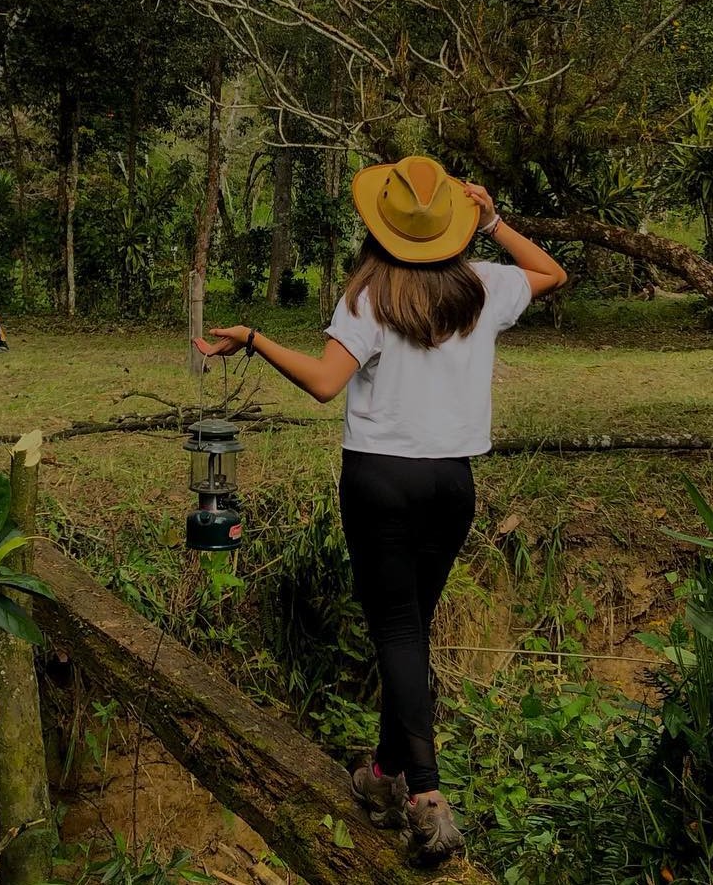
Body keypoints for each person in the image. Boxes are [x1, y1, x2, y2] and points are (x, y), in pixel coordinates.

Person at [195, 156, 566, 868]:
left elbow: (324, 385)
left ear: (380, 228)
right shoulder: (482, 286)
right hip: (452, 484)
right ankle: (382, 775)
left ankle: (425, 795)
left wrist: (253, 340)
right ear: (450, 227)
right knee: (412, 630)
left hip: (379, 481)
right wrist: (496, 222)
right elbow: (552, 274)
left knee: (398, 630)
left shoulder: (368, 296)